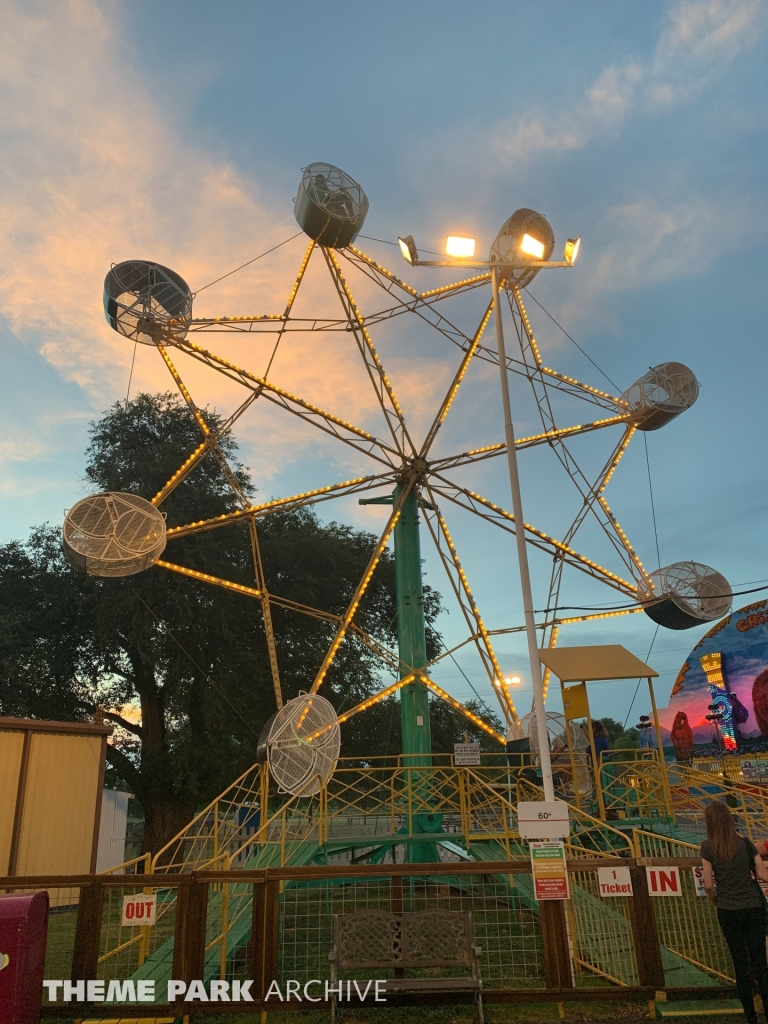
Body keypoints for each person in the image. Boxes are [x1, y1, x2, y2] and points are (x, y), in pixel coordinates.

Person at [700, 800, 768, 1024]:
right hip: (753, 906)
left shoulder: (708, 847)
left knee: (740, 962)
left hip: (728, 908)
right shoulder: (746, 844)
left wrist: (715, 901)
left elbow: (708, 883)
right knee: (760, 962)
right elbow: (762, 873)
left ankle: (750, 1016)